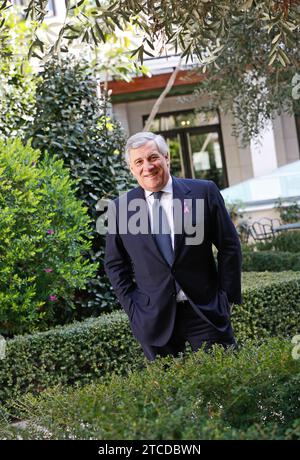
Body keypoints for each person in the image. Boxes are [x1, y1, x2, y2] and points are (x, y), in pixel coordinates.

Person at [104, 132, 242, 361]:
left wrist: (226, 297)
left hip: (205, 313)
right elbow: (114, 264)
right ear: (131, 169)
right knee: (170, 395)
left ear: (166, 158)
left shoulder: (203, 192)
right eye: (139, 161)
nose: (147, 166)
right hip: (154, 320)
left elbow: (229, 246)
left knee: (222, 389)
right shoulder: (120, 209)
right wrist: (134, 310)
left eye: (153, 157)